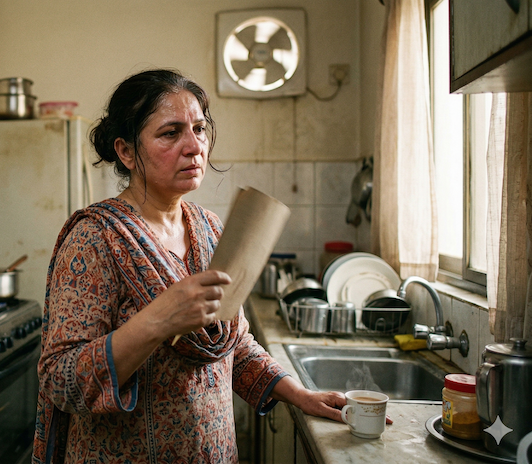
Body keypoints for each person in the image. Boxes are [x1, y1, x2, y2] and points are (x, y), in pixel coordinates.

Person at [32, 69, 345, 464]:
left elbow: (235, 346)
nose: (194, 146)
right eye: (170, 132)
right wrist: (158, 320)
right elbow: (62, 380)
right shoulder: (96, 238)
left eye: (199, 129)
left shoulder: (211, 229)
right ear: (126, 152)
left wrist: (298, 395)